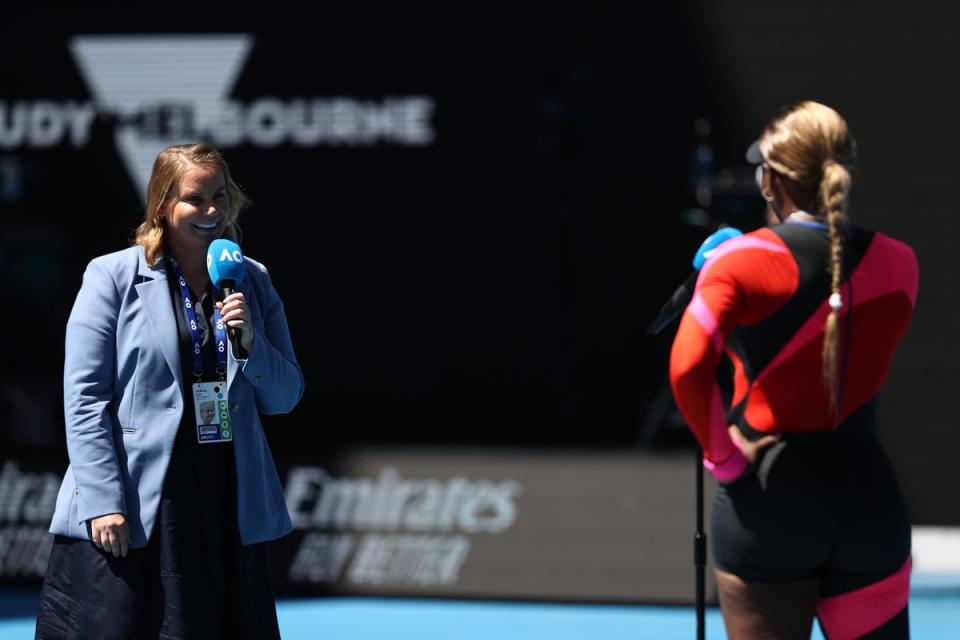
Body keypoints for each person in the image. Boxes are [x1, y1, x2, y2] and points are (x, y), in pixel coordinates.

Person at [669, 102, 917, 639]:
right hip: (868, 501)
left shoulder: (739, 261)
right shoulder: (901, 262)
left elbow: (688, 367)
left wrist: (725, 459)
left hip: (769, 502)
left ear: (770, 179)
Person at [36, 143, 304, 639]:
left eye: (219, 198)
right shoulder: (111, 276)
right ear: (163, 204)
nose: (211, 212)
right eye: (195, 200)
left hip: (225, 497)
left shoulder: (253, 281)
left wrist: (250, 344)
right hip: (138, 500)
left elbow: (285, 396)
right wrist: (102, 500)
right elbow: (85, 399)